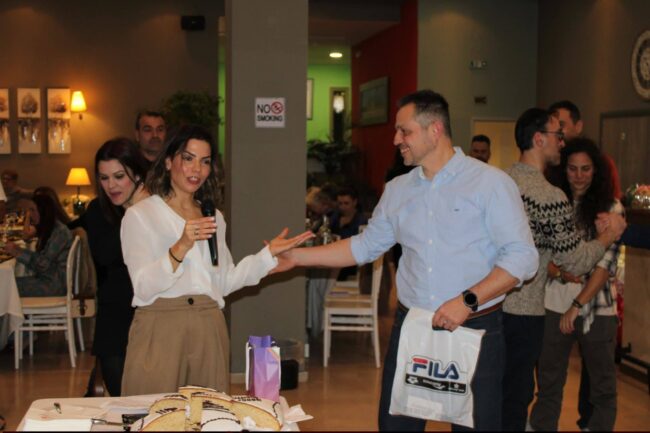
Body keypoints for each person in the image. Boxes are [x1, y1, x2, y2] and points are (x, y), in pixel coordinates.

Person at [278, 90, 539, 431]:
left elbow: (523, 257)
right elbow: (364, 247)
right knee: (396, 425)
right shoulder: (398, 189)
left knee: (477, 426)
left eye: (405, 131)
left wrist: (467, 300)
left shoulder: (490, 183)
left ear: (435, 130)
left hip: (474, 328)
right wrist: (296, 257)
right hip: (413, 327)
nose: (396, 139)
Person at [119, 125, 312, 395]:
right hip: (161, 326)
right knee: (153, 411)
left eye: (205, 161)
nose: (196, 169)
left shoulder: (214, 217)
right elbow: (142, 286)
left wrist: (267, 257)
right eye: (188, 158)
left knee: (209, 412)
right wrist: (181, 246)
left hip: (209, 324)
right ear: (168, 161)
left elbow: (223, 281)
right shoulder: (141, 215)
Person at [501, 108, 626, 431]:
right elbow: (576, 261)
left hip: (494, 303)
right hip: (528, 308)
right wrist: (609, 235)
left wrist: (574, 295)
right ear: (539, 139)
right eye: (557, 135)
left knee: (501, 391)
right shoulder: (550, 196)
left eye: (586, 168)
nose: (561, 141)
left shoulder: (499, 182)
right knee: (522, 393)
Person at [529, 138, 621, 431]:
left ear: (596, 171)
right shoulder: (554, 202)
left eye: (586, 169)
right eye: (572, 168)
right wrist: (559, 272)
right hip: (552, 304)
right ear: (563, 169)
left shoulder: (611, 208)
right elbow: (541, 257)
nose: (579, 176)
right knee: (548, 383)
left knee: (602, 388)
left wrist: (577, 304)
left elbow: (604, 267)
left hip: (597, 309)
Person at [74, 138, 149, 396]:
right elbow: (106, 255)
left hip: (154, 315)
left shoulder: (157, 209)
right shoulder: (98, 210)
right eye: (104, 178)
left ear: (137, 175)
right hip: (115, 317)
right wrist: (134, 212)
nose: (111, 185)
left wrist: (143, 208)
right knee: (123, 400)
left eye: (119, 176)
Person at [4, 194, 73, 297]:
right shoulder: (50, 228)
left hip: (55, 286)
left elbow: (44, 265)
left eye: (33, 210)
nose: (30, 214)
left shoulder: (60, 233)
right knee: (6, 282)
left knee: (5, 285)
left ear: (43, 211)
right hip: (49, 280)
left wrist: (19, 252)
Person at [330, 186, 367, 281]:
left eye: (346, 203)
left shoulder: (362, 220)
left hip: (352, 262)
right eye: (340, 203)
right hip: (334, 258)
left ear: (355, 202)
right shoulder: (335, 217)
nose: (343, 207)